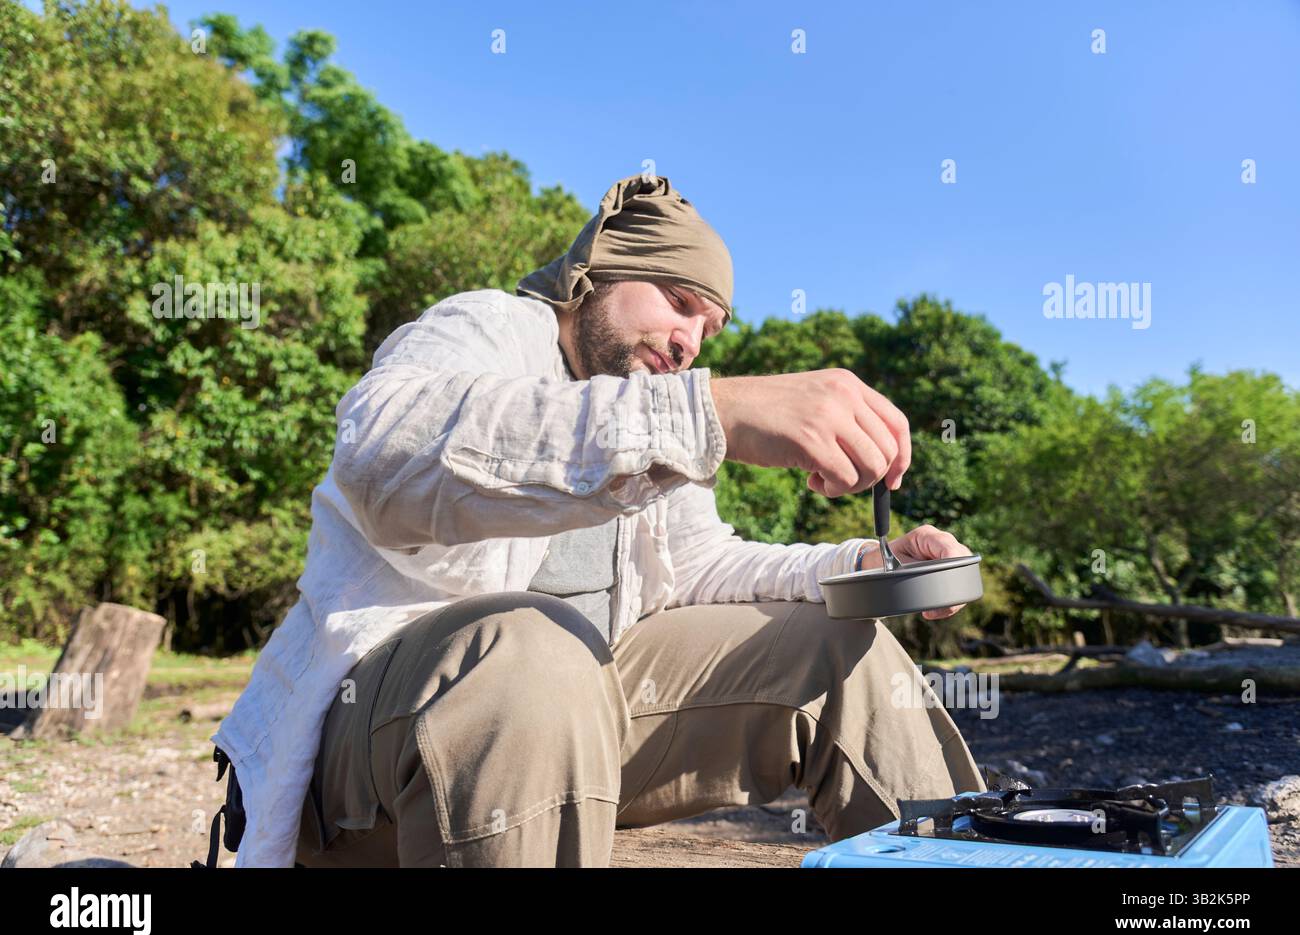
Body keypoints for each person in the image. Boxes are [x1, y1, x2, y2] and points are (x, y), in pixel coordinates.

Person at [207, 172, 986, 868]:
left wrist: (861, 566)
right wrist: (709, 410)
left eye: (709, 331)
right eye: (679, 303)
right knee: (532, 645)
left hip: (579, 734)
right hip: (372, 752)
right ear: (598, 273)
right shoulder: (487, 328)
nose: (690, 341)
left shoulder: (659, 424)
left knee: (833, 641)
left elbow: (703, 568)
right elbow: (382, 453)